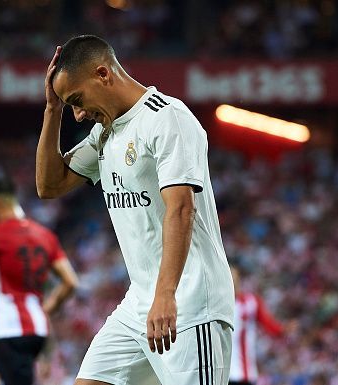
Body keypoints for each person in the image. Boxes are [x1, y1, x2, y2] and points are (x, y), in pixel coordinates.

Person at [36, 35, 235, 385]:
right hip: (138, 306)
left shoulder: (166, 118)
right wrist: (53, 110)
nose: (79, 115)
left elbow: (181, 210)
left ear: (103, 74)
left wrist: (165, 295)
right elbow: (48, 186)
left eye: (77, 101)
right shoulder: (105, 134)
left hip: (190, 305)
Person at [0, 178, 79, 385]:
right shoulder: (45, 235)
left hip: (13, 331)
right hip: (36, 330)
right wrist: (49, 308)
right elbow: (70, 282)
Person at [228, 266, 294, 385]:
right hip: (223, 373)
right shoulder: (216, 304)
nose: (232, 281)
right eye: (229, 276)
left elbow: (269, 325)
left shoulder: (250, 302)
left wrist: (283, 329)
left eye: (234, 277)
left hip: (244, 374)